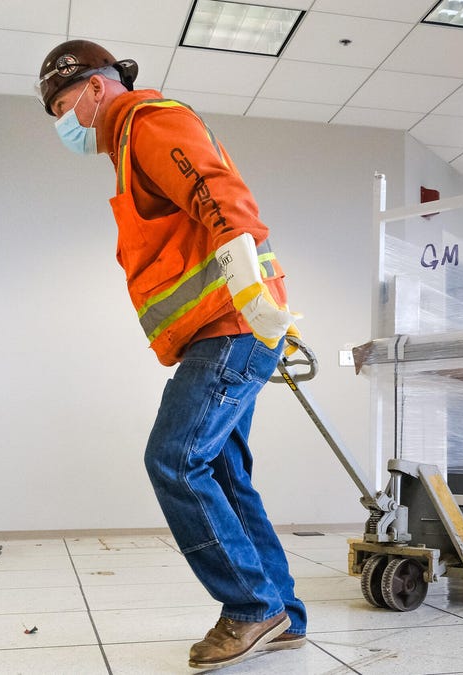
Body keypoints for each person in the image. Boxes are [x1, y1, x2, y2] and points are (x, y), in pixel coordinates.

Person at [37, 40, 306, 670]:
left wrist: (250, 289)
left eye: (61, 104)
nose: (61, 121)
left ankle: (250, 609)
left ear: (96, 88)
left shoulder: (151, 123)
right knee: (224, 473)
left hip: (232, 325)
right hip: (226, 328)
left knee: (176, 459)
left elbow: (220, 195)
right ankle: (283, 616)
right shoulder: (130, 148)